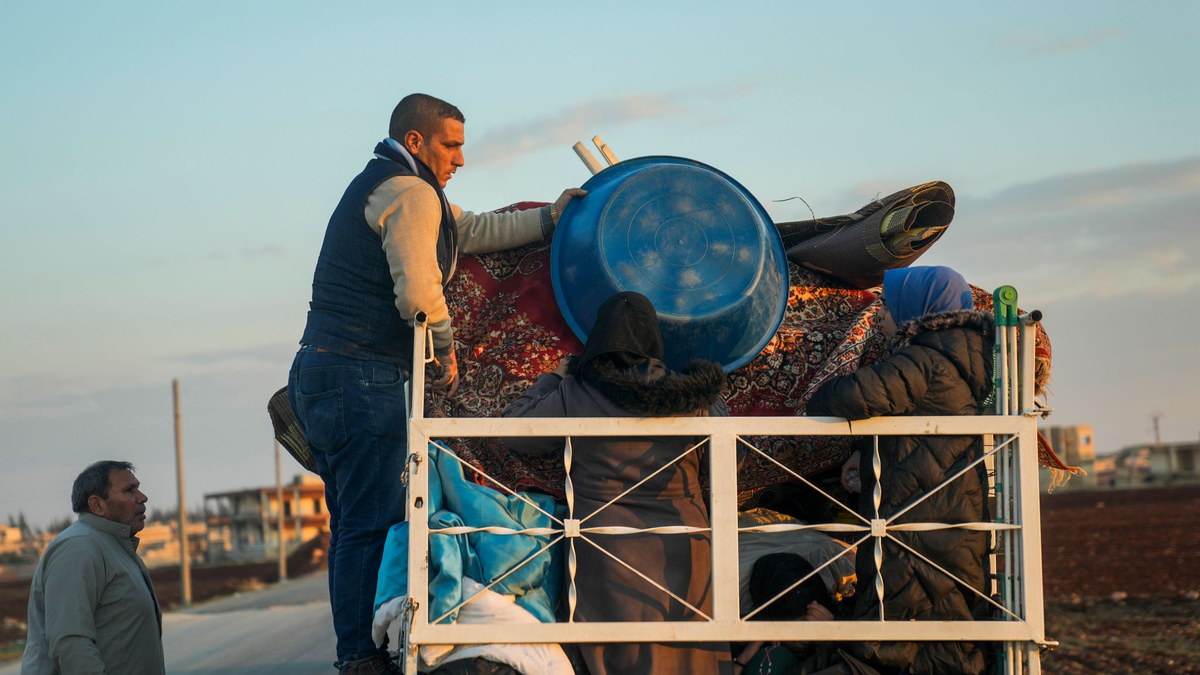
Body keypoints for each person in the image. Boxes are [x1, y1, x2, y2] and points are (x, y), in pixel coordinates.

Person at [289, 93, 586, 674]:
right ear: (417, 141)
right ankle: (359, 658)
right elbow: (420, 294)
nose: (461, 159)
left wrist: (549, 219)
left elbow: (469, 230)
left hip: (329, 370)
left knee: (353, 521)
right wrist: (442, 352)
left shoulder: (397, 187)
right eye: (451, 145)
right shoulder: (409, 192)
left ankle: (357, 652)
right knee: (369, 522)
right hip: (358, 373)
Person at [501, 291, 732, 675]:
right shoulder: (692, 394)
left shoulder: (577, 392)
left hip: (608, 549)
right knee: (692, 656)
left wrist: (551, 378)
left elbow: (513, 434)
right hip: (686, 543)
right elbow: (733, 455)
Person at [805, 266, 994, 675]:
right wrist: (862, 450)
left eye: (889, 308)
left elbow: (850, 396)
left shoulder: (926, 359)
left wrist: (819, 394)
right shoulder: (956, 357)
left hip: (924, 519)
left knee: (915, 617)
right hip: (941, 510)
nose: (882, 317)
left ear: (916, 311)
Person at [21, 460, 164, 675]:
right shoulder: (80, 546)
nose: (142, 497)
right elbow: (71, 642)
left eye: (138, 488)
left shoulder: (115, 547)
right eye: (129, 490)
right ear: (97, 505)